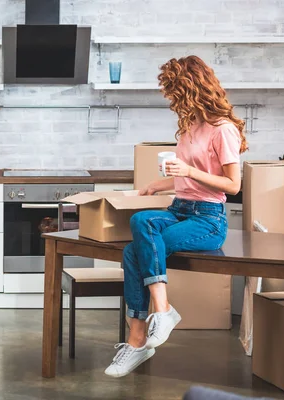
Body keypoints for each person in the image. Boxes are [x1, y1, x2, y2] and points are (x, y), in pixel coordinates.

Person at [105, 55, 247, 377]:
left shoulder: (222, 130)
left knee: (133, 251)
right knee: (141, 221)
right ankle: (160, 316)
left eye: (174, 91)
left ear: (192, 88)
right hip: (179, 209)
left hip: (208, 220)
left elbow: (233, 185)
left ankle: (141, 336)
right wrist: (162, 183)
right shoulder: (189, 126)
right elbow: (189, 176)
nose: (171, 99)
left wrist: (187, 170)